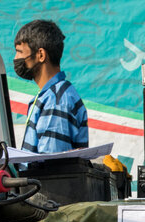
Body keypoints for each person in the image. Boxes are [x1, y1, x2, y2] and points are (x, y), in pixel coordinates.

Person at [13, 20, 89, 154]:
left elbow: (51, 163)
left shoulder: (56, 100)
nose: (16, 58)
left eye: (20, 52)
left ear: (40, 55)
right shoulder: (50, 95)